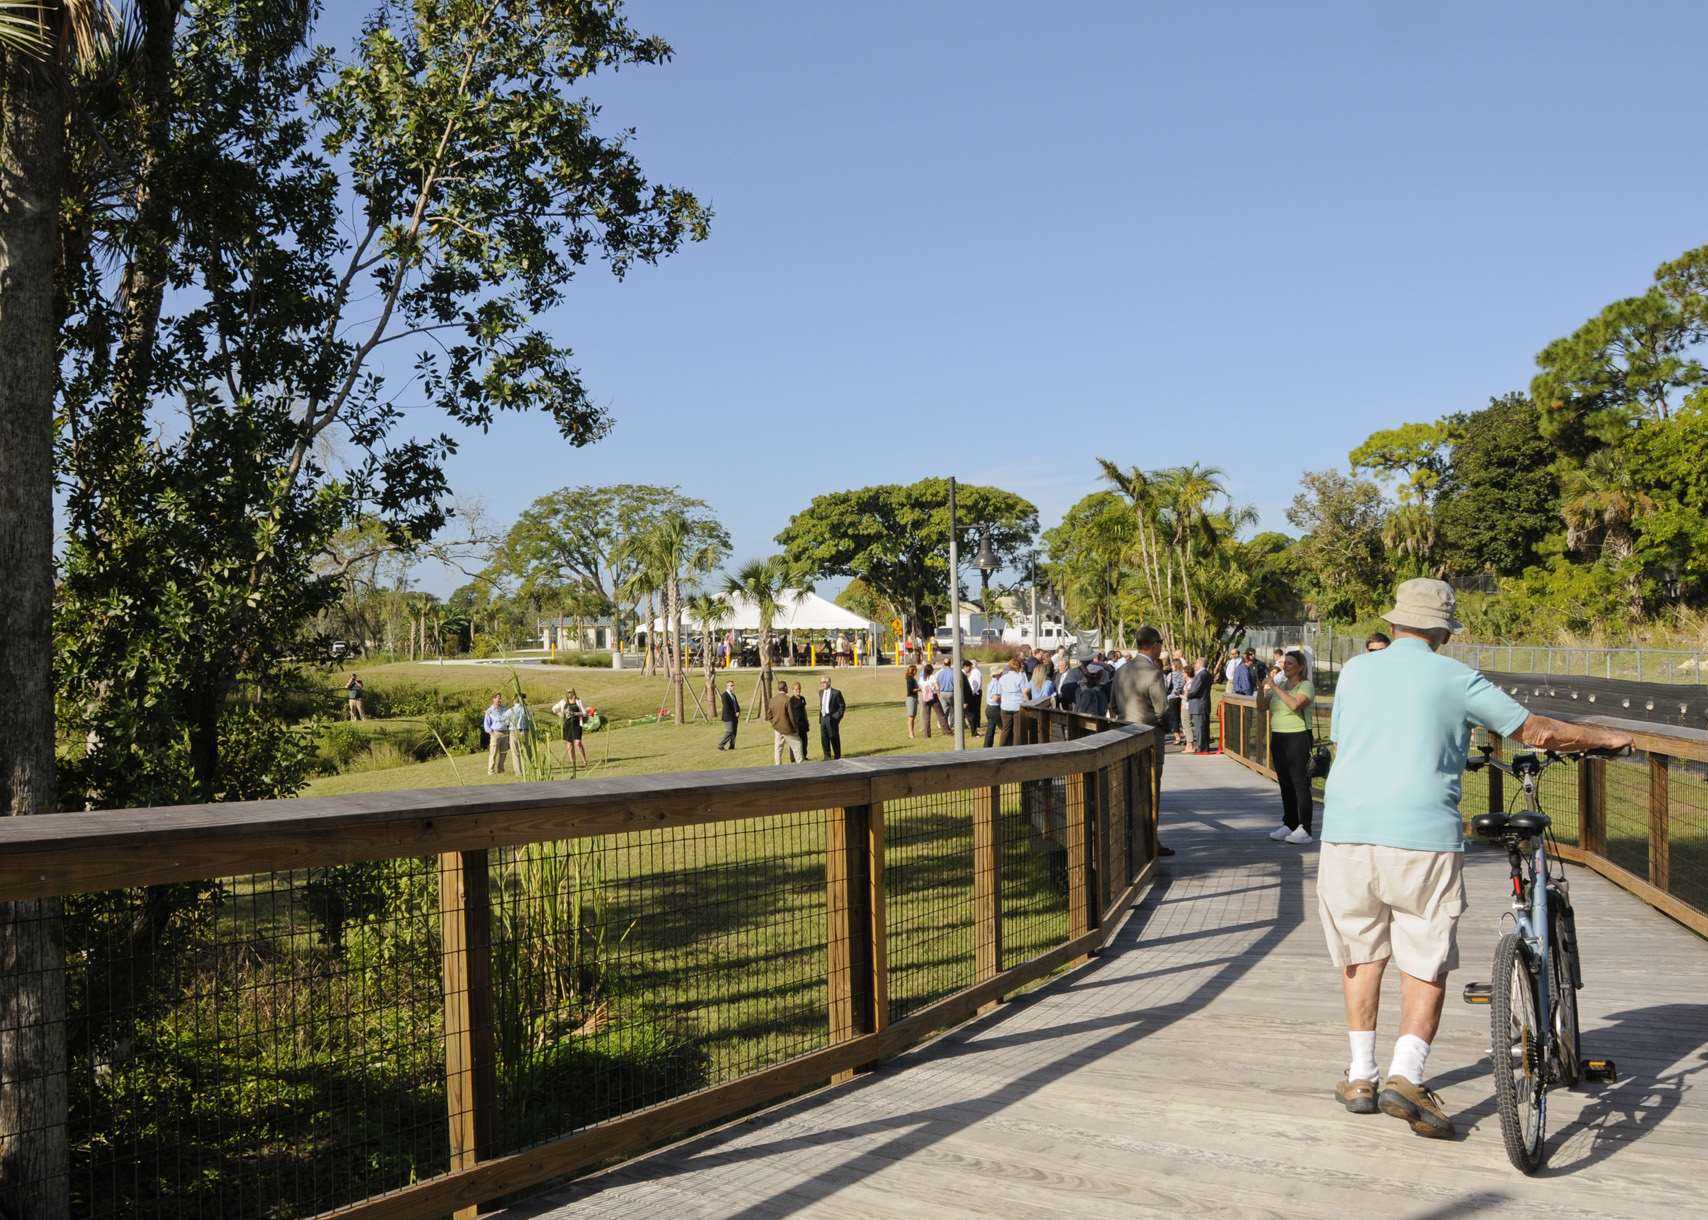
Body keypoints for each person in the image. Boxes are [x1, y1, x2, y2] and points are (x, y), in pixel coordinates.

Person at [1320, 578, 1631, 1135]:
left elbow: (1350, 741)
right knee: (1425, 952)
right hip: (1420, 836)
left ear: (1393, 623)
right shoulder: (1455, 677)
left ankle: (1361, 1075)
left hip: (1346, 831)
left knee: (1361, 952)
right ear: (1441, 630)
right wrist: (1602, 736)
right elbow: (1533, 731)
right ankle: (1406, 1076)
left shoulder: (1354, 671)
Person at [1110, 625, 1174, 856]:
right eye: (1161, 644)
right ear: (1154, 645)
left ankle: (1128, 841)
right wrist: (1166, 729)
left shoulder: (1121, 671)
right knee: (1151, 790)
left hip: (1123, 739)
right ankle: (1149, 842)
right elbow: (1163, 711)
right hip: (1149, 740)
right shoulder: (1154, 673)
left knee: (1128, 791)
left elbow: (1113, 706)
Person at [1262, 652, 1316, 844]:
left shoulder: (1306, 686)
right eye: (1284, 663)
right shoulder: (1282, 685)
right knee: (1285, 782)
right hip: (1279, 736)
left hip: (1298, 736)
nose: (1286, 666)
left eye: (1290, 663)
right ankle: (1290, 822)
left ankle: (1305, 828)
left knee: (1299, 783)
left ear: (1301, 666)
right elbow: (1261, 707)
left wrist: (1274, 687)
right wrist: (1263, 689)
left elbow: (1295, 704)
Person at [551, 688, 589, 767]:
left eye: (570, 692)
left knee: (578, 743)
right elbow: (554, 709)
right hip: (567, 725)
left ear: (574, 692)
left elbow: (585, 713)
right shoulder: (563, 702)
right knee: (570, 745)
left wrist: (575, 713)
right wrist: (560, 714)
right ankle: (573, 763)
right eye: (568, 692)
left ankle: (584, 761)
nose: (569, 694)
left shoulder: (578, 701)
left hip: (577, 724)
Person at [994, 658, 1027, 744]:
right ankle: (1016, 750)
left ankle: (1001, 749)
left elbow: (999, 693)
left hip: (1005, 706)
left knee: (1005, 729)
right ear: (1018, 667)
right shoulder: (1020, 678)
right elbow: (1024, 692)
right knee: (1017, 730)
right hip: (1017, 707)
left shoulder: (1002, 678)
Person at [1184, 657, 1212, 753]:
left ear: (1200, 664)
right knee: (1203, 727)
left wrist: (1187, 693)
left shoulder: (1201, 675)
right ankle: (1204, 746)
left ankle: (1201, 747)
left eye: (1196, 663)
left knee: (1200, 727)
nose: (1195, 665)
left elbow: (1195, 690)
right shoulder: (1207, 674)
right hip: (1203, 704)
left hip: (1199, 704)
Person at [768, 686, 802, 764]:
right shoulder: (788, 699)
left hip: (777, 729)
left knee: (778, 749)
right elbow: (791, 716)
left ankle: (778, 766)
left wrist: (774, 723)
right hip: (788, 729)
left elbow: (769, 715)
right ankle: (800, 766)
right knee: (798, 745)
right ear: (785, 688)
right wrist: (795, 727)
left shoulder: (772, 700)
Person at [818, 676, 845, 760]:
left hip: (832, 718)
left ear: (829, 683)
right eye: (821, 682)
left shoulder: (836, 693)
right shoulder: (821, 692)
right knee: (824, 738)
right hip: (823, 718)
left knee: (834, 737)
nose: (822, 684)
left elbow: (842, 706)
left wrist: (836, 717)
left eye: (824, 682)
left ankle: (837, 756)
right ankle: (827, 756)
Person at [505, 693, 532, 775]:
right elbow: (530, 719)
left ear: (514, 701)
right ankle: (530, 768)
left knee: (515, 752)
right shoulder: (525, 709)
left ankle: (518, 771)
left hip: (514, 731)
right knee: (527, 750)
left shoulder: (510, 711)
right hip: (524, 731)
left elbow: (506, 722)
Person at [484, 695, 509, 774]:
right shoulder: (490, 710)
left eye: (500, 698)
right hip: (495, 733)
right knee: (493, 753)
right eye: (498, 698)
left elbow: (507, 718)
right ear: (493, 699)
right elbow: (486, 724)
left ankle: (500, 769)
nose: (500, 699)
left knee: (504, 752)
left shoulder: (504, 709)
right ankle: (491, 770)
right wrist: (492, 733)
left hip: (505, 732)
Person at [1165, 657, 1188, 745]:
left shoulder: (1171, 675)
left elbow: (1166, 686)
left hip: (1172, 697)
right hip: (1181, 697)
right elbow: (1183, 685)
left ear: (1174, 665)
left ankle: (1177, 737)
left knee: (1174, 718)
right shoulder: (1183, 674)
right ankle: (1186, 736)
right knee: (1182, 717)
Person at [982, 664, 1004, 747]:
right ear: (997, 674)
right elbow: (995, 698)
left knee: (990, 729)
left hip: (989, 708)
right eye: (1000, 673)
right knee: (1005, 728)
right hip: (995, 708)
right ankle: (1006, 745)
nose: (1002, 674)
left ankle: (987, 747)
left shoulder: (991, 682)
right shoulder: (996, 683)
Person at [717, 679, 741, 750]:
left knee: (734, 732)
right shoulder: (724, 695)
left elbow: (736, 705)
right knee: (729, 731)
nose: (733, 687)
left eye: (733, 685)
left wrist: (738, 711)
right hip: (728, 717)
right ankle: (721, 745)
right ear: (727, 686)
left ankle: (732, 746)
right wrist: (734, 713)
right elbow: (727, 707)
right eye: (731, 685)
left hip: (735, 717)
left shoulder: (733, 695)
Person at [791, 681, 811, 760]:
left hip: (803, 724)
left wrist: (807, 721)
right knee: (795, 742)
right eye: (796, 689)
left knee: (804, 741)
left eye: (799, 689)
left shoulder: (802, 699)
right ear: (793, 690)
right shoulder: (791, 700)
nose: (798, 690)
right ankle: (793, 759)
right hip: (796, 725)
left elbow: (804, 710)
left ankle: (804, 756)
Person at [966, 660, 984, 732]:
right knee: (976, 709)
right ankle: (977, 724)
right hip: (976, 692)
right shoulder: (975, 672)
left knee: (974, 709)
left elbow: (976, 684)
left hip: (975, 693)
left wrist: (972, 692)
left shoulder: (975, 672)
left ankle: (976, 724)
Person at [904, 664, 920, 739]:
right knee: (911, 717)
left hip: (914, 698)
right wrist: (919, 689)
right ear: (913, 671)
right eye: (915, 670)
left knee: (913, 717)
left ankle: (912, 732)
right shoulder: (910, 679)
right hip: (911, 698)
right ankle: (911, 733)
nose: (916, 672)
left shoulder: (912, 678)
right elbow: (910, 690)